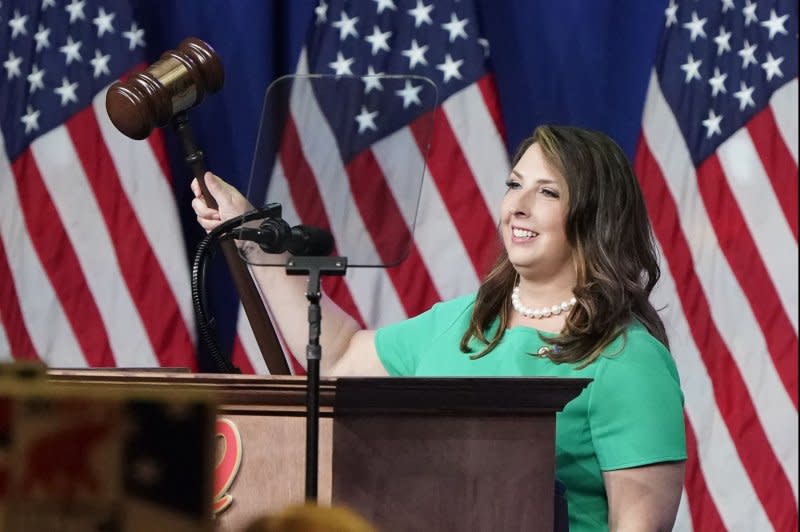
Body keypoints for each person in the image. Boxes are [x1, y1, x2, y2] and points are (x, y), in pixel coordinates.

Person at [192, 125, 687, 532]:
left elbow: (639, 525)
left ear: (596, 216)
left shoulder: (627, 357)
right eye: (514, 185)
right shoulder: (462, 321)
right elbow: (339, 354)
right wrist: (254, 239)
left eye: (548, 192)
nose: (518, 205)